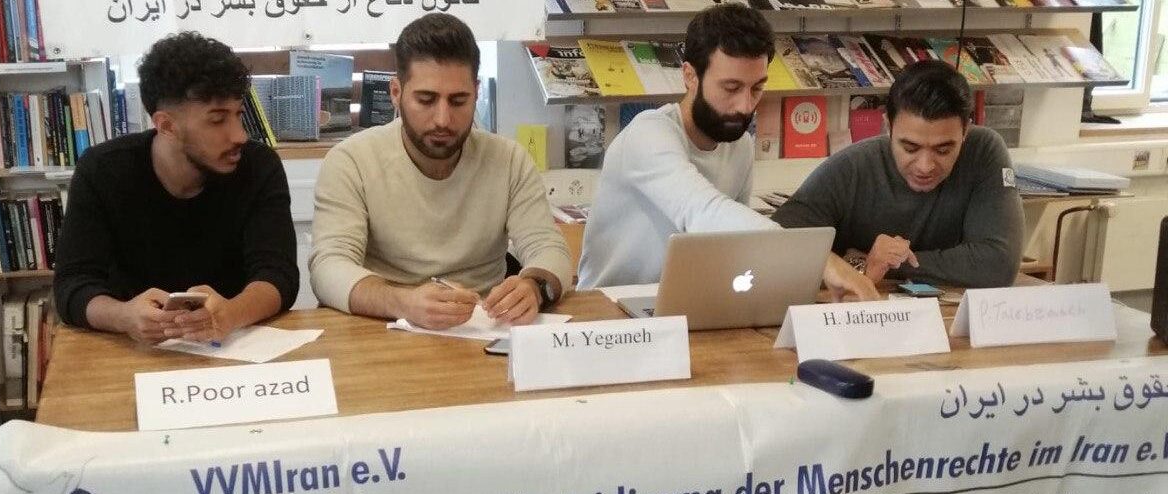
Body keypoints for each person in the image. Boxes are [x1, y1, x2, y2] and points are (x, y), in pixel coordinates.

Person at [578, 4, 877, 301]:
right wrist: (817, 258)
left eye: (757, 88)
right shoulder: (647, 133)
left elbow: (733, 246)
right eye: (731, 88)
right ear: (690, 76)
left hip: (688, 302)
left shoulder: (740, 145)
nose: (745, 106)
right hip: (608, 310)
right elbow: (701, 211)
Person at [310, 13, 572, 330]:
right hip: (382, 326)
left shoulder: (509, 160)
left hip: (484, 327)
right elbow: (328, 267)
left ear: (476, 92)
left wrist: (534, 286)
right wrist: (402, 302)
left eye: (458, 101)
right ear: (396, 93)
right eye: (426, 100)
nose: (443, 120)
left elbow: (549, 248)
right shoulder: (351, 161)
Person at [54, 32, 299, 344]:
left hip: (234, 344)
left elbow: (278, 275)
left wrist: (231, 314)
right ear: (166, 125)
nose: (239, 135)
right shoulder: (103, 170)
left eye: (239, 114)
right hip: (131, 350)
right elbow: (72, 285)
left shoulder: (259, 166)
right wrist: (124, 316)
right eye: (217, 120)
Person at [771, 60, 1025, 288]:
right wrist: (857, 268)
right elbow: (775, 246)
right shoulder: (850, 168)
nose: (925, 166)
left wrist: (886, 263)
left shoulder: (984, 151)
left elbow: (998, 264)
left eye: (943, 150)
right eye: (910, 148)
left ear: (965, 131)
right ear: (888, 126)